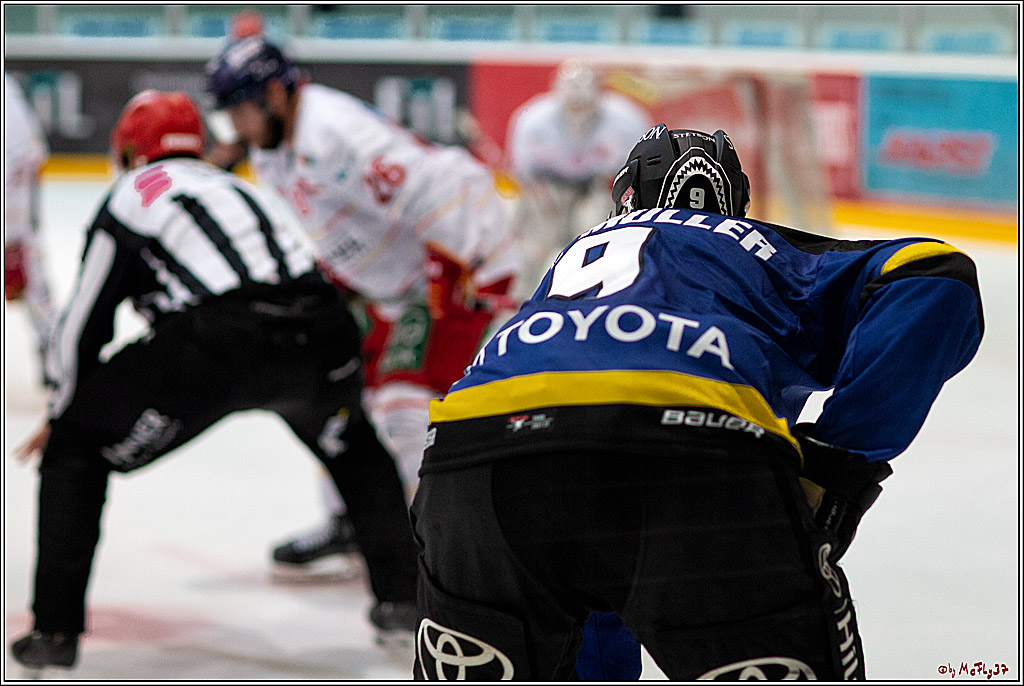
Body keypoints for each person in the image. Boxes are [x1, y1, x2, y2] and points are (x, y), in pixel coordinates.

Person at [410, 124, 984, 680]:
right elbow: (935, 275)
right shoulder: (759, 248)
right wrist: (840, 463)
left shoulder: (571, 259)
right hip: (689, 451)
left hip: (475, 455)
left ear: (623, 197)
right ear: (736, 203)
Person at [8, 90, 419, 670]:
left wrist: (64, 413)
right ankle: (403, 603)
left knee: (75, 451)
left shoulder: (132, 193)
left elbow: (83, 325)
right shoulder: (239, 186)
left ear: (130, 150)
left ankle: (54, 632)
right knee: (358, 453)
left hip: (217, 344)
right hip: (321, 333)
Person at [204, 37, 521, 575]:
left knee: (403, 407)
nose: (235, 127)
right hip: (394, 282)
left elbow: (437, 188)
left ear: (276, 94)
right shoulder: (272, 143)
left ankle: (436, 546)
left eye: (240, 110)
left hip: (452, 261)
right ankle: (355, 521)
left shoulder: (335, 134)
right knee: (342, 391)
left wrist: (456, 280)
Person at [506, 59, 652, 300]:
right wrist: (542, 210)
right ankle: (516, 302)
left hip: (596, 186)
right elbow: (524, 174)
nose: (577, 111)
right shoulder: (533, 121)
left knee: (596, 239)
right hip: (547, 187)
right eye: (572, 105)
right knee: (535, 246)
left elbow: (641, 169)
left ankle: (594, 298)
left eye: (583, 104)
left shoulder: (627, 120)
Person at [5, 72, 57, 378]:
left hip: (13, 213)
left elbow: (22, 159)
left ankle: (54, 348)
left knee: (32, 277)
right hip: (17, 212)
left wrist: (12, 236)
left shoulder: (6, 95)